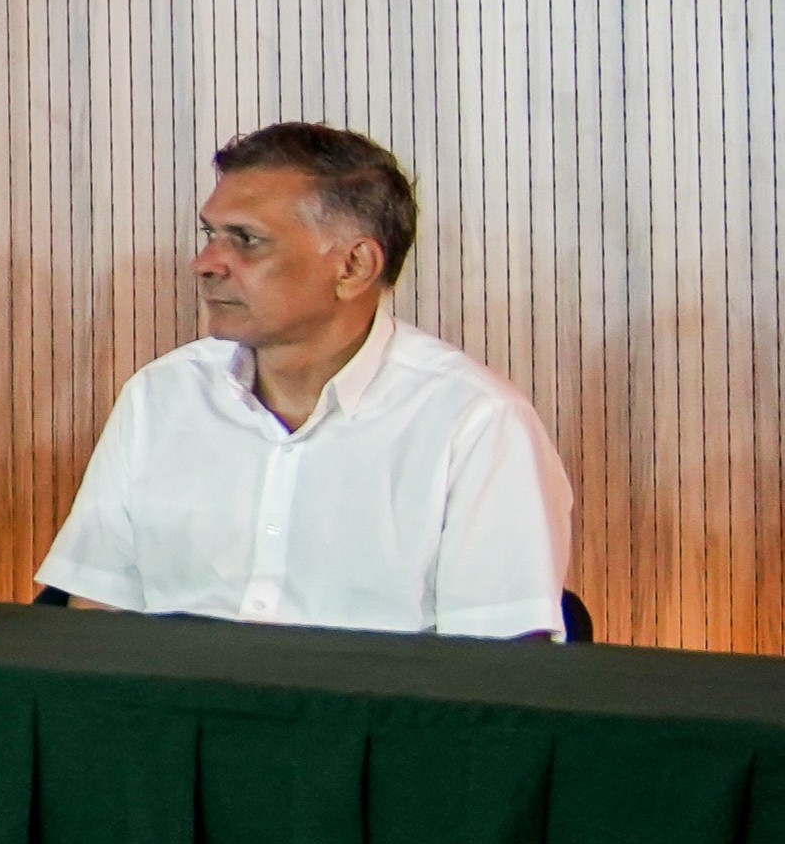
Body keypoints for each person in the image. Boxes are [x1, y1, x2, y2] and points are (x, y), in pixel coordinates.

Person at [37, 123, 569, 637]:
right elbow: (94, 616)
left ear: (354, 266)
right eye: (210, 235)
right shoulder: (161, 395)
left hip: (381, 724)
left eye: (245, 240)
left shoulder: (474, 421)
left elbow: (499, 674)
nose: (205, 263)